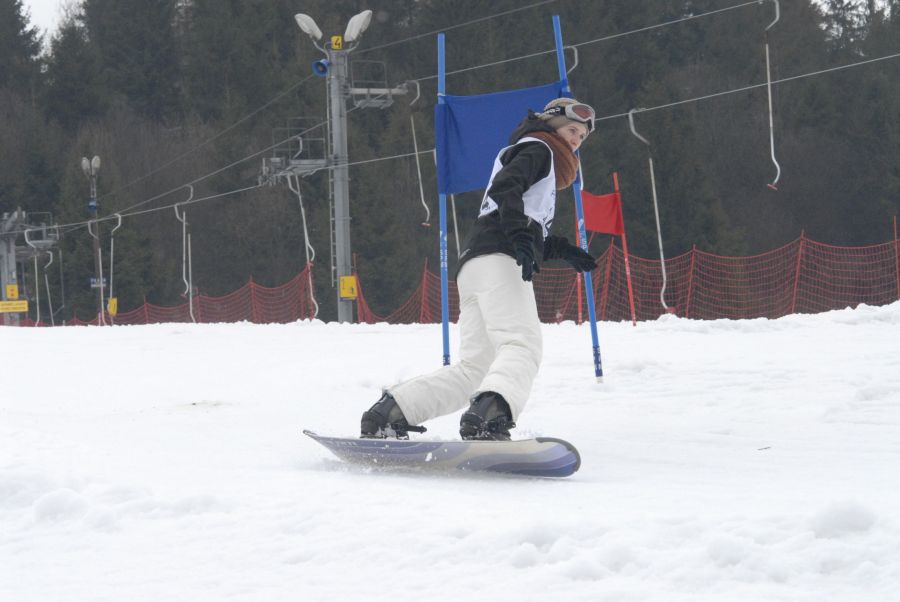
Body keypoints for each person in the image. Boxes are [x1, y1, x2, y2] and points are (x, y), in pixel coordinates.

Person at [361, 97, 598, 441]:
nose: (576, 140)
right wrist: (519, 236)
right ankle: (490, 418)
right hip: (499, 262)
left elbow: (512, 214)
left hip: (477, 263)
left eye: (582, 137)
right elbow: (507, 194)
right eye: (572, 130)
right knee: (522, 345)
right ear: (552, 124)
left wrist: (557, 248)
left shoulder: (527, 152)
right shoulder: (541, 150)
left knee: (474, 369)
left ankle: (393, 410)